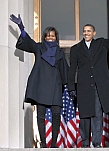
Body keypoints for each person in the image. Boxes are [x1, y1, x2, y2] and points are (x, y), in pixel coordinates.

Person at [67, 5, 109, 148]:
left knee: (98, 115)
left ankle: (96, 143)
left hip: (99, 86)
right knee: (85, 116)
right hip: (84, 86)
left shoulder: (101, 44)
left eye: (89, 31)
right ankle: (85, 143)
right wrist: (71, 87)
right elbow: (72, 69)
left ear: (94, 33)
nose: (86, 33)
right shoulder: (75, 49)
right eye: (84, 31)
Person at [10, 14, 69, 148]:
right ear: (44, 37)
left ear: (56, 38)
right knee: (40, 116)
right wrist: (21, 27)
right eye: (48, 35)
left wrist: (68, 86)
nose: (50, 38)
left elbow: (64, 70)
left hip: (55, 87)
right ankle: (43, 143)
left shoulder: (60, 52)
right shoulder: (39, 48)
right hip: (41, 86)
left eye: (52, 36)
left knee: (56, 115)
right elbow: (28, 42)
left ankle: (53, 144)